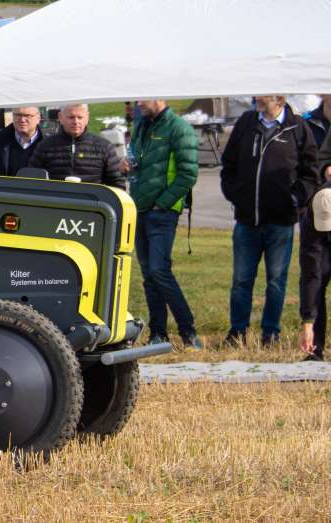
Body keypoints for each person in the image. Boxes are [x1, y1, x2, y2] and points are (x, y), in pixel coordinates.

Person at [220, 95, 319, 346]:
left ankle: (270, 334)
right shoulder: (246, 122)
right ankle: (237, 332)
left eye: (262, 95)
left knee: (276, 281)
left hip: (281, 222)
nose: (256, 98)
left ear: (278, 98)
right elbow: (228, 164)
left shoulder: (297, 128)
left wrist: (296, 200)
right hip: (247, 221)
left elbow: (311, 172)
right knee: (241, 280)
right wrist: (235, 193)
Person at [128, 100, 202, 349]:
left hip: (163, 212)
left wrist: (164, 203)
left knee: (160, 270)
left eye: (143, 98)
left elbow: (188, 173)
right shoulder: (141, 126)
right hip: (140, 207)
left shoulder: (179, 128)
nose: (139, 103)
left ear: (160, 98)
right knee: (149, 275)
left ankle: (188, 330)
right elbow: (139, 161)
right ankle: (158, 333)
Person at [27, 104, 125, 188]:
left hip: (93, 206)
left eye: (80, 117)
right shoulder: (45, 146)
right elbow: (31, 179)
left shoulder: (104, 147)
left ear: (87, 118)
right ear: (60, 117)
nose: (76, 122)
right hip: (55, 205)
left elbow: (117, 183)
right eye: (71, 117)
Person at [298, 186, 331, 362]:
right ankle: (316, 350)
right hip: (319, 242)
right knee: (317, 280)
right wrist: (307, 323)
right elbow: (311, 275)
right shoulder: (310, 221)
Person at [0, 106, 45, 176]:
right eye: (18, 115)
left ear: (38, 118)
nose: (22, 120)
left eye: (27, 116)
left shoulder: (49, 145)